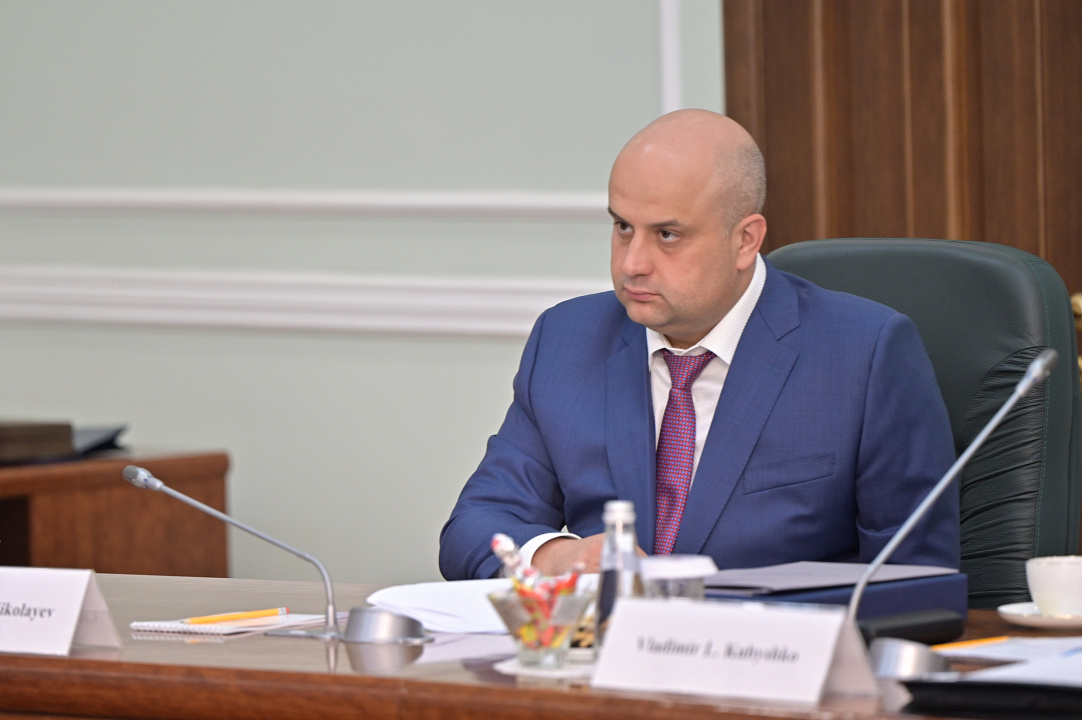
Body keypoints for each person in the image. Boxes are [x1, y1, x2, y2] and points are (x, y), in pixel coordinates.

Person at [439, 109, 959, 581]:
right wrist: (555, 556)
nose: (632, 264)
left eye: (668, 235)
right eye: (623, 227)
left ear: (745, 240)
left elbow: (915, 581)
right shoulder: (567, 340)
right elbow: (477, 523)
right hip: (604, 651)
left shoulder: (864, 355)